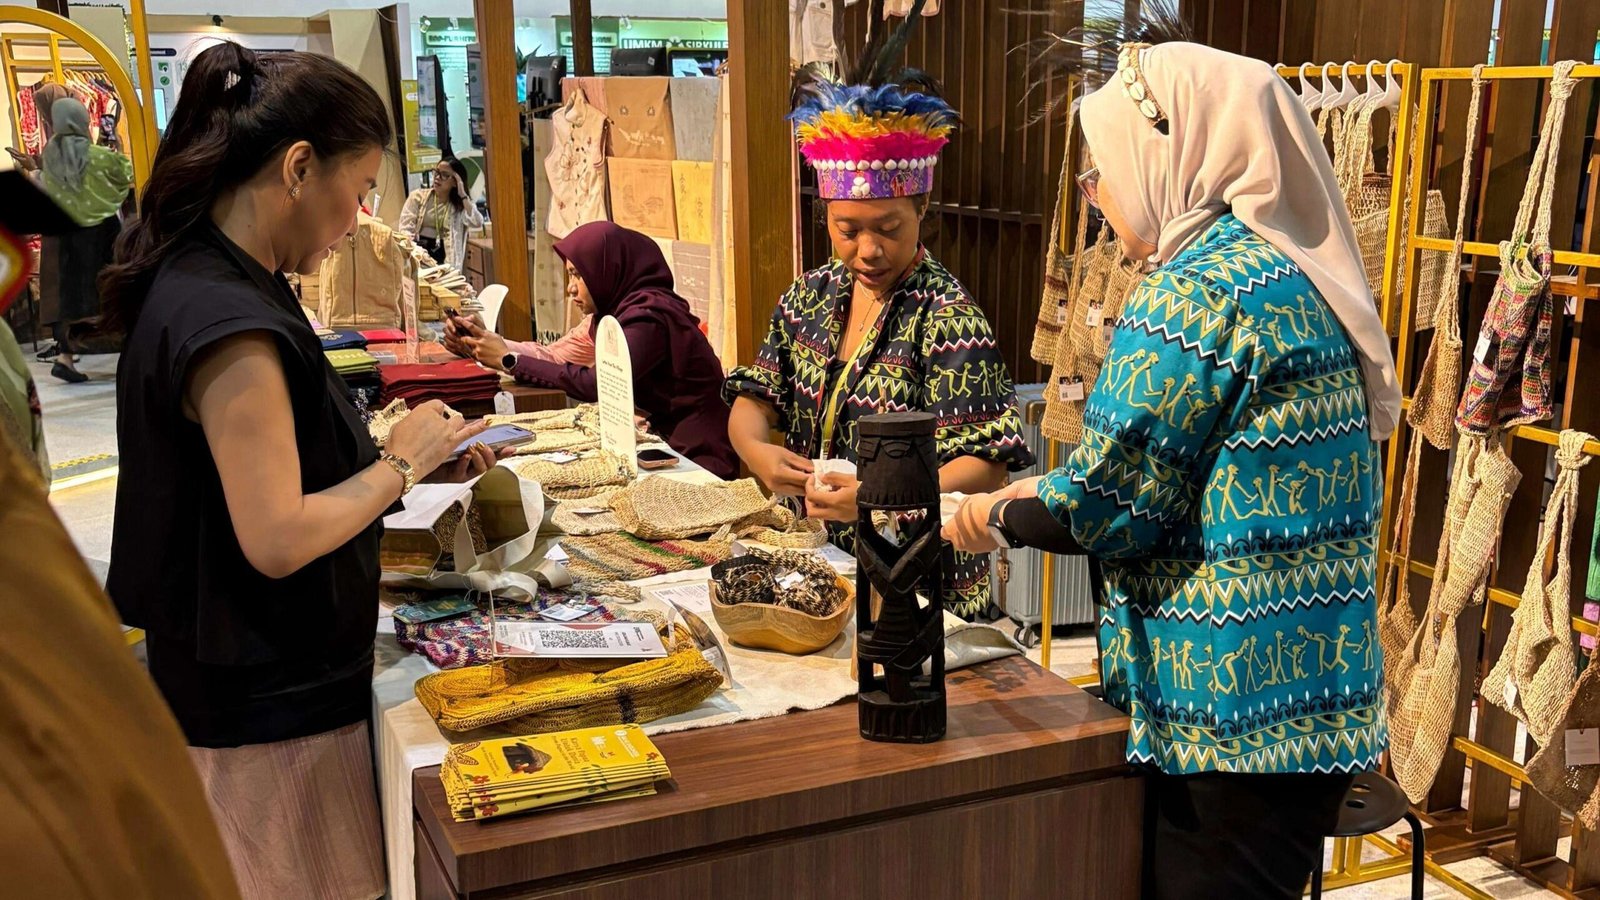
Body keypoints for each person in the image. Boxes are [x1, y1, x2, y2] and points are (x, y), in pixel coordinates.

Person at [944, 39, 1401, 899]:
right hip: (1310, 703)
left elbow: (1109, 504)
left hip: (1224, 717)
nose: (1096, 194)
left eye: (1100, 172)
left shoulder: (1194, 293)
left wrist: (990, 516)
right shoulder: (1292, 275)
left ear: (1165, 153)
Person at [101, 43, 497, 900]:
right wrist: (399, 464)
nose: (358, 220)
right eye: (358, 192)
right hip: (263, 706)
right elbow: (276, 536)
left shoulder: (224, 277)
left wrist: (411, 464)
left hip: (254, 685)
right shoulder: (228, 316)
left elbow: (264, 472)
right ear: (298, 168)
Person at [724, 14, 1033, 620]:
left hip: (919, 584)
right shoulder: (808, 297)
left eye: (889, 228)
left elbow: (985, 465)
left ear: (922, 209)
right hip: (823, 567)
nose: (868, 250)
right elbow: (755, 399)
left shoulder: (947, 316)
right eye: (848, 230)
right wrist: (758, 453)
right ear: (826, 217)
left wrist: (876, 498)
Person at [473, 220, 739, 479]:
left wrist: (511, 361)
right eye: (570, 274)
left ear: (608, 269)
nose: (570, 288)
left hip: (699, 457)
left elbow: (599, 383)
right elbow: (558, 355)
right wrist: (486, 345)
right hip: (667, 444)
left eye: (579, 274)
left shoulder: (647, 317)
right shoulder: (613, 313)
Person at [35, 96, 132, 383]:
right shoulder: (97, 156)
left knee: (72, 296)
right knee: (114, 287)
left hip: (67, 234)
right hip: (101, 232)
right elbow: (126, 175)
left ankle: (65, 358)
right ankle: (130, 349)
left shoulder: (51, 156)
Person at [397, 156, 483, 270]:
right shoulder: (417, 197)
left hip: (447, 261)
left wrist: (463, 195)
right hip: (420, 255)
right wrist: (410, 243)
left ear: (455, 182)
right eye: (436, 172)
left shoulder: (458, 207)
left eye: (444, 175)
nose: (437, 177)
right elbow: (404, 229)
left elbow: (477, 222)